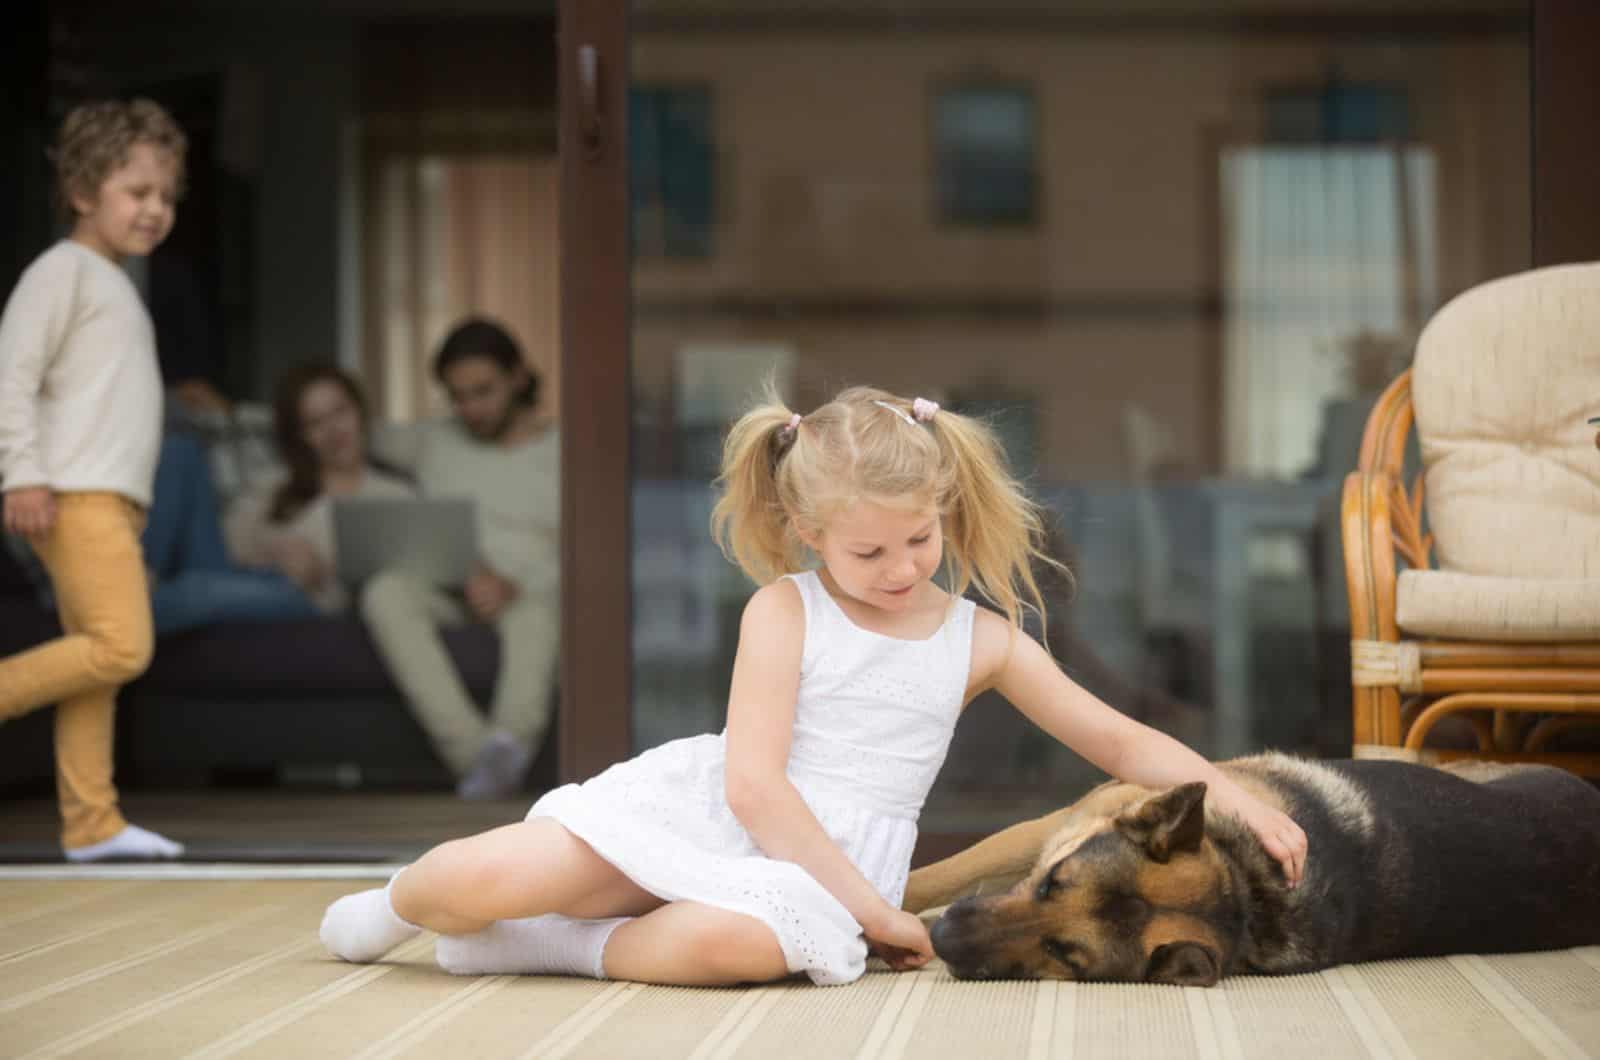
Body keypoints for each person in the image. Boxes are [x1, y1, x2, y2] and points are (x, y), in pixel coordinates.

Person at [320, 385, 1309, 987]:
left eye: (919, 539)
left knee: (736, 949)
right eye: (868, 549)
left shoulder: (982, 640)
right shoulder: (785, 611)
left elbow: (1122, 743)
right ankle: (399, 905)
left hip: (826, 869)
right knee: (458, 886)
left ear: (943, 510)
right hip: (718, 814)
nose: (901, 566)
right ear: (808, 534)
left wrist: (1233, 795)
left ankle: (541, 948)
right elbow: (752, 787)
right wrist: (876, 919)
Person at [0, 99, 188, 861]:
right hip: (72, 495)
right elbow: (11, 373)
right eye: (136, 192)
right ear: (82, 192)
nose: (155, 210)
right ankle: (91, 820)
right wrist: (21, 472)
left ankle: (91, 823)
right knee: (120, 647)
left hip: (108, 501)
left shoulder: (111, 280)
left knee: (94, 663)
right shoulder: (62, 271)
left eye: (167, 197)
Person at [358, 319, 559, 800]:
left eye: (483, 392)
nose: (470, 408)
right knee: (384, 592)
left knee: (539, 616)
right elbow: (344, 431)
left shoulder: (564, 450)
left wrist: (514, 584)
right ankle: (479, 758)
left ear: (518, 377)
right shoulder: (433, 439)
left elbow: (589, 548)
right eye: (458, 396)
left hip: (529, 593)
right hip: (447, 584)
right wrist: (233, 414)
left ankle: (507, 745)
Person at [225, 362, 414, 613]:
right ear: (300, 436)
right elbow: (226, 544)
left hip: (328, 614)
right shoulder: (275, 484)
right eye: (315, 423)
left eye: (340, 411)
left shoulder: (397, 493)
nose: (334, 431)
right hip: (263, 599)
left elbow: (414, 580)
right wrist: (273, 552)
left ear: (359, 411)